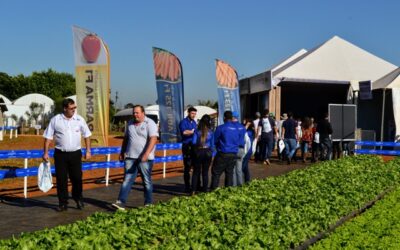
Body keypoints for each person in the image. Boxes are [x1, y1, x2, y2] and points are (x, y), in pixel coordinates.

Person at [42, 98, 92, 212]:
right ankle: (63, 203)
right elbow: (48, 137)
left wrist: (88, 150)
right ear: (65, 109)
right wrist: (45, 152)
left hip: (75, 154)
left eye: (75, 108)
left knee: (77, 178)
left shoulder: (79, 119)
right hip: (60, 155)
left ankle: (78, 198)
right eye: (71, 108)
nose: (74, 110)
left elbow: (87, 135)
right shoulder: (55, 120)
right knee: (61, 179)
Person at [112, 105, 158, 210]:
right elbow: (126, 138)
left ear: (143, 113)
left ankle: (148, 203)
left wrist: (146, 154)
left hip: (145, 158)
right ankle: (120, 202)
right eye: (134, 113)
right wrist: (122, 151)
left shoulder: (150, 123)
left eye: (137, 113)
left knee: (146, 181)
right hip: (130, 157)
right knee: (127, 180)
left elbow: (153, 139)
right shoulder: (130, 123)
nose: (135, 115)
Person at [210, 111, 242, 190]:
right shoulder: (237, 129)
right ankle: (228, 191)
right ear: (231, 118)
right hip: (233, 153)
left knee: (216, 172)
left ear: (224, 118)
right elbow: (239, 141)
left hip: (223, 153)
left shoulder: (221, 128)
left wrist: (215, 150)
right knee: (229, 173)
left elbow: (214, 141)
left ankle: (213, 190)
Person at [191, 114, 214, 194]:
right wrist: (211, 153)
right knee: (205, 173)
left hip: (198, 152)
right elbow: (212, 144)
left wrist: (195, 152)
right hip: (207, 152)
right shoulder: (211, 132)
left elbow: (193, 143)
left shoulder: (197, 131)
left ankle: (193, 191)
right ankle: (205, 191)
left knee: (196, 172)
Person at [179, 106, 197, 193]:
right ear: (188, 113)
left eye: (195, 114)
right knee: (187, 167)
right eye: (192, 113)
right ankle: (187, 186)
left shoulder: (194, 122)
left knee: (195, 166)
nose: (193, 115)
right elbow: (184, 132)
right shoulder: (183, 122)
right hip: (186, 146)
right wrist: (193, 132)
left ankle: (195, 185)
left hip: (194, 146)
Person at [232, 111, 246, 186]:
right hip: (241, 149)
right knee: (239, 169)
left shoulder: (231, 127)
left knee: (233, 170)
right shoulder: (242, 127)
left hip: (233, 149)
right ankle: (241, 185)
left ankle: (234, 186)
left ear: (232, 117)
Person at [242, 119, 255, 183]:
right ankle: (247, 180)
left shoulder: (249, 132)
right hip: (248, 151)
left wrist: (246, 126)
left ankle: (242, 181)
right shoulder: (251, 131)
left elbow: (243, 134)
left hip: (247, 151)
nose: (243, 123)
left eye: (245, 122)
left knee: (242, 167)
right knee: (245, 167)